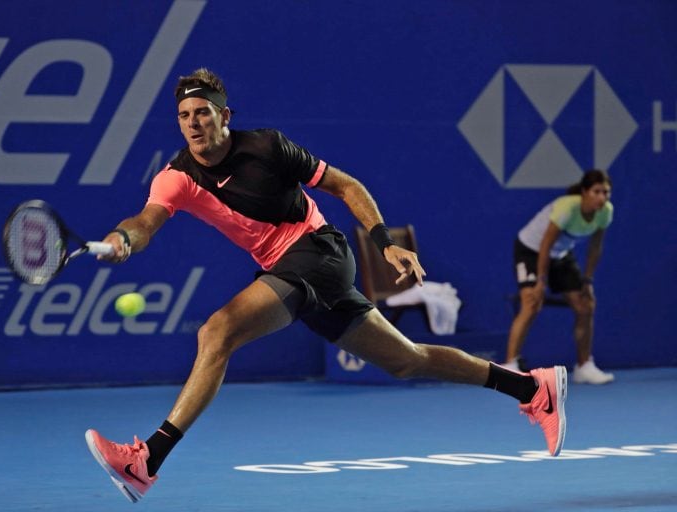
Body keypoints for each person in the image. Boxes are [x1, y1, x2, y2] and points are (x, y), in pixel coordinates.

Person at [84, 68, 568, 503]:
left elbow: (347, 186)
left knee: (217, 332)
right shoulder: (176, 177)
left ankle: (147, 459)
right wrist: (123, 239)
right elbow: (145, 221)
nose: (193, 123)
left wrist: (384, 243)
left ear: (224, 115)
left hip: (319, 253)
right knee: (406, 360)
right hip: (291, 270)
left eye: (203, 113)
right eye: (184, 115)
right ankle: (531, 387)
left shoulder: (268, 147)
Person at [502, 170, 614, 385]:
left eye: (606, 192)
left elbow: (596, 247)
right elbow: (545, 244)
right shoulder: (566, 207)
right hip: (531, 251)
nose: (602, 197)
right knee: (531, 303)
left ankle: (584, 366)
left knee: (585, 305)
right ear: (584, 192)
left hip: (560, 255)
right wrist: (540, 282)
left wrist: (587, 280)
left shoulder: (605, 212)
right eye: (597, 191)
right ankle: (509, 366)